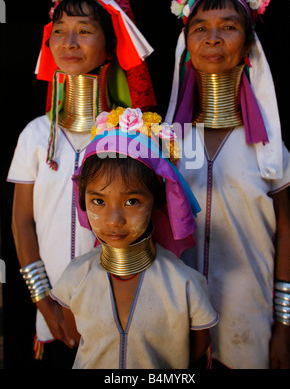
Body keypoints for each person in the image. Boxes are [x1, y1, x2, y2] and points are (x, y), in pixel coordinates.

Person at [7, 0, 156, 366]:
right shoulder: (36, 135)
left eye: (84, 30)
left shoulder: (134, 133)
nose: (68, 43)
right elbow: (22, 223)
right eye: (59, 31)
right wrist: (44, 303)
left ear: (110, 45)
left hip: (117, 320)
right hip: (51, 318)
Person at [165, 0, 290, 369]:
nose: (213, 38)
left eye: (229, 26)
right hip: (177, 323)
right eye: (200, 27)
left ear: (248, 45)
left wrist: (285, 331)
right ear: (187, 44)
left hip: (250, 317)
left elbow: (289, 237)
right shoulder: (166, 143)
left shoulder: (269, 149)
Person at [50, 106, 218, 369]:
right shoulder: (75, 278)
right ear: (83, 201)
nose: (113, 220)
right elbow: (80, 335)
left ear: (157, 201)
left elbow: (195, 351)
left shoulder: (185, 284)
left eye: (131, 201)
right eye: (98, 201)